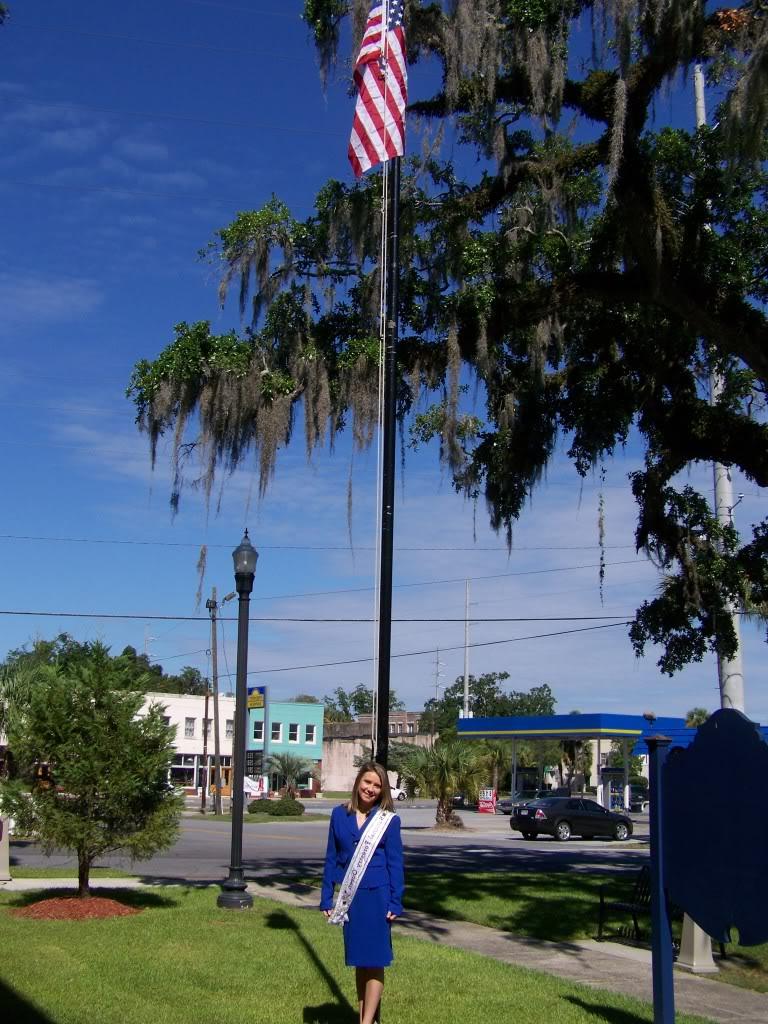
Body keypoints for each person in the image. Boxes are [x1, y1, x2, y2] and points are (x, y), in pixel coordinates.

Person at [320, 762, 404, 1024]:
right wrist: (326, 896)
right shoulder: (338, 815)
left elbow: (395, 863)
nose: (371, 789)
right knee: (359, 960)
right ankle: (365, 1017)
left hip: (377, 897)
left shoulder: (388, 821)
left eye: (377, 786)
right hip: (351, 899)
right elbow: (331, 858)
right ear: (358, 782)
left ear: (382, 791)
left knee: (375, 960)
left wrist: (395, 900)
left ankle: (367, 1022)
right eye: (367, 782)